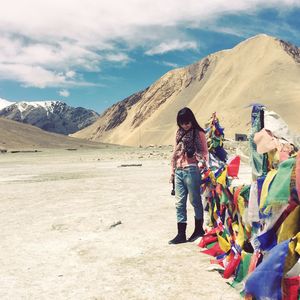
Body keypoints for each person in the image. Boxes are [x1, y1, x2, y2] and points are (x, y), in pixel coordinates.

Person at [169, 107, 208, 244]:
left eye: (187, 122)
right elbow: (174, 153)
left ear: (192, 121)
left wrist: (195, 154)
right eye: (182, 123)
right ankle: (181, 234)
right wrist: (172, 172)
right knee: (179, 203)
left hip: (192, 169)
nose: (185, 125)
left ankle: (198, 229)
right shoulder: (178, 133)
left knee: (195, 201)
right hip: (179, 171)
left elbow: (205, 153)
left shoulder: (199, 133)